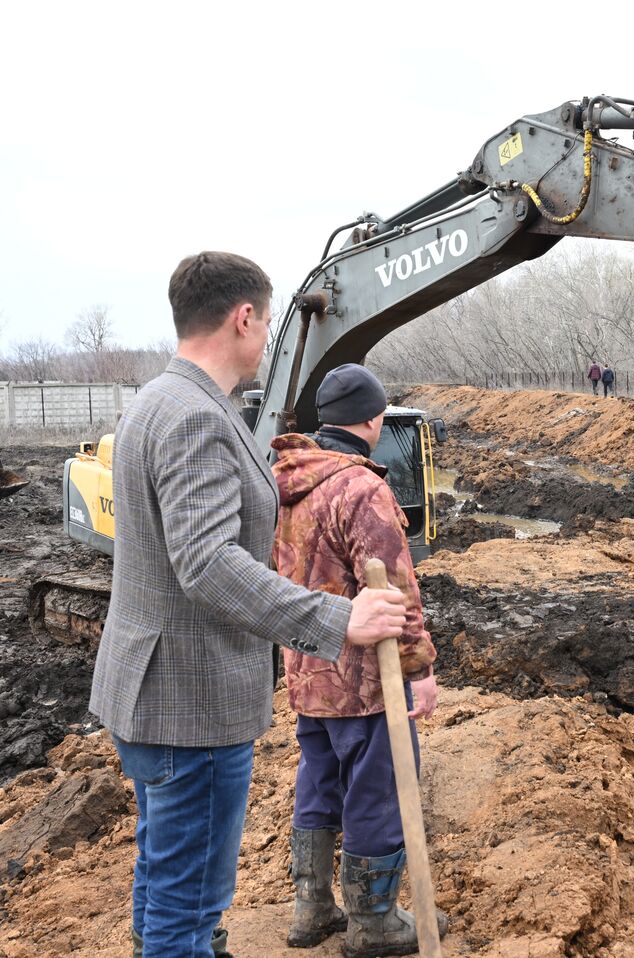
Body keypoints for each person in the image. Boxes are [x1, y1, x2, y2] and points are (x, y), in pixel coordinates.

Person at [89, 252, 408, 958]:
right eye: (265, 322)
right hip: (189, 702)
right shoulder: (196, 417)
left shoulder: (155, 402)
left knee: (164, 888)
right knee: (186, 910)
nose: (267, 338)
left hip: (150, 690)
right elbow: (206, 563)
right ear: (243, 318)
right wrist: (337, 617)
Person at [270, 364, 447, 955]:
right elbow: (395, 592)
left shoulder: (285, 482)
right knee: (377, 790)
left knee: (319, 781)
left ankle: (312, 907)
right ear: (372, 419)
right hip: (366, 682)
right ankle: (372, 922)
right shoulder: (362, 489)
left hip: (305, 672)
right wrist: (419, 670)